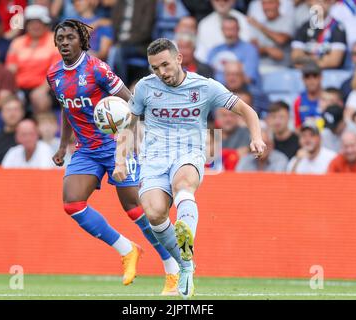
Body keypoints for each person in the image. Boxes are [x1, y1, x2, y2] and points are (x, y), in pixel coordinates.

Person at [113, 38, 266, 299]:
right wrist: (120, 160)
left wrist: (257, 137)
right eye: (155, 68)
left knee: (183, 186)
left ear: (179, 59)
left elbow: (246, 110)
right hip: (154, 159)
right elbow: (128, 125)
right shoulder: (144, 89)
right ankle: (186, 266)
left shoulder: (204, 87)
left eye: (165, 65)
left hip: (189, 153)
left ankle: (185, 239)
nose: (162, 72)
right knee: (154, 214)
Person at [47, 20, 179, 295]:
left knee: (137, 210)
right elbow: (66, 107)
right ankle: (127, 249)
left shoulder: (97, 68)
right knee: (72, 203)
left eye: (70, 37)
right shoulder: (54, 74)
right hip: (86, 148)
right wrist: (63, 145)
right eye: (60, 38)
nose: (64, 42)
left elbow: (131, 101)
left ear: (81, 41)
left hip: (116, 143)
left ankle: (173, 267)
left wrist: (130, 138)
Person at [6, 4, 60, 115]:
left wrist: (42, 89)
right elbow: (10, 70)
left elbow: (56, 71)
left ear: (46, 24)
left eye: (39, 22)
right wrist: (13, 90)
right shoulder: (17, 43)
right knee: (7, 98)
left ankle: (43, 128)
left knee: (39, 98)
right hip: (20, 87)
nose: (35, 26)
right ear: (26, 25)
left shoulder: (55, 40)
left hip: (47, 88)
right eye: (31, 22)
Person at [291, 0, 346, 70]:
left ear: (330, 4)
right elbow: (295, 58)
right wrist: (319, 59)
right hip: (306, 74)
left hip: (329, 74)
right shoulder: (304, 27)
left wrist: (306, 61)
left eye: (325, 1)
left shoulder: (337, 27)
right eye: (317, 1)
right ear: (309, 3)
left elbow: (334, 61)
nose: (321, 4)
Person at [207, 15, 260, 85]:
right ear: (222, 30)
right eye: (226, 29)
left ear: (238, 30)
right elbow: (206, 75)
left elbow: (248, 79)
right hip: (217, 92)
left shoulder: (249, 50)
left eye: (232, 29)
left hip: (243, 91)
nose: (229, 34)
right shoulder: (214, 50)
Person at [247, 0, 294, 73]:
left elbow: (281, 39)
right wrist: (267, 50)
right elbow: (252, 49)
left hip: (282, 69)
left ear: (278, 4)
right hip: (260, 68)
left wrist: (261, 27)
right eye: (264, 4)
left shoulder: (288, 20)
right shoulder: (259, 24)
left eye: (270, 3)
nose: (267, 7)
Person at [293, 60, 322, 128]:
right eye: (307, 76)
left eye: (315, 76)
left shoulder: (329, 99)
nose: (311, 80)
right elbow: (298, 127)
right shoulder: (298, 101)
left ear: (320, 77)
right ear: (302, 79)